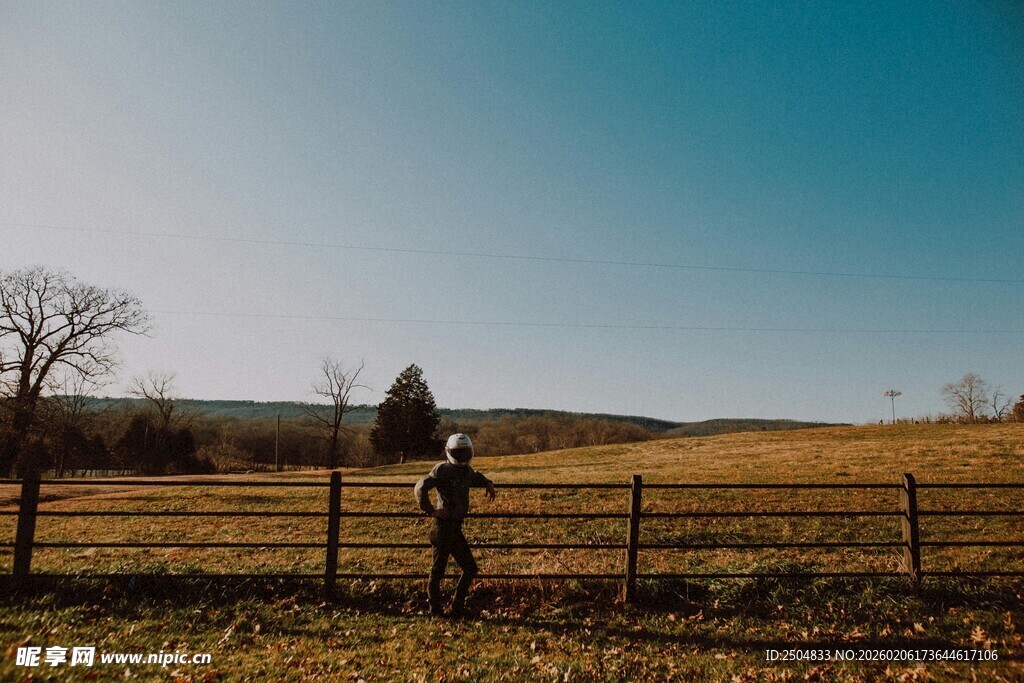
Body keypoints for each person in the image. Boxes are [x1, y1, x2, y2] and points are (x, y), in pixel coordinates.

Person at [414, 433, 496, 618]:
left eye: (464, 453)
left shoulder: (465, 471)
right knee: (438, 570)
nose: (462, 457)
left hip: (453, 528)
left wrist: (488, 483)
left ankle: (455, 608)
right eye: (458, 453)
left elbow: (475, 476)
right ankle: (437, 610)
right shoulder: (441, 469)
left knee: (467, 568)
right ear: (449, 452)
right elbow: (420, 487)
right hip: (442, 527)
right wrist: (430, 511)